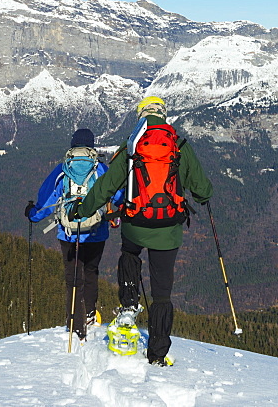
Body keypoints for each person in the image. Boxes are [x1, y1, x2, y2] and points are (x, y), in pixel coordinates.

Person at [68, 96, 213, 366]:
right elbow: (202, 189)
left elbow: (106, 187)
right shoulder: (180, 146)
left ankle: (129, 304)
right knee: (162, 292)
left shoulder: (132, 147)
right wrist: (204, 197)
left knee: (130, 255)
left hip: (135, 225)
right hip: (168, 230)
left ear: (141, 116)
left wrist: (82, 210)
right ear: (163, 115)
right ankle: (158, 352)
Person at [26, 128, 123, 341]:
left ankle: (75, 325)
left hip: (69, 234)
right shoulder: (101, 169)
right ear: (92, 147)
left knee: (73, 279)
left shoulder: (62, 170)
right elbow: (117, 196)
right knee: (91, 272)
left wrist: (32, 215)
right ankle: (89, 314)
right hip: (96, 232)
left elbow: (46, 200)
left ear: (72, 146)